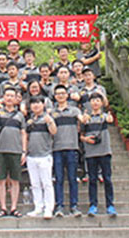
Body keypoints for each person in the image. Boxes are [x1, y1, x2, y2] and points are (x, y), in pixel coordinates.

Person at [0, 87, 27, 217]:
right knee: (1, 180)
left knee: (15, 180)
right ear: (3, 98)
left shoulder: (20, 115)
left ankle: (14, 207)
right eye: (7, 95)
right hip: (0, 149)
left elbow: (23, 133)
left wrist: (24, 151)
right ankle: (3, 207)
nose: (9, 98)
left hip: (16, 150)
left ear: (16, 99)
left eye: (12, 96)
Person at [51, 84, 85, 218]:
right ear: (54, 96)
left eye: (62, 93)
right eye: (58, 93)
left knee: (72, 178)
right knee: (58, 179)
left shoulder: (74, 110)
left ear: (67, 95)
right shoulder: (52, 113)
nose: (60, 95)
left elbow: (82, 121)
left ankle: (74, 206)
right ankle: (59, 205)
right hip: (57, 148)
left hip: (72, 147)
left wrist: (84, 119)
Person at [81, 93, 116, 217]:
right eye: (93, 100)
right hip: (91, 153)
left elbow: (111, 120)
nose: (95, 103)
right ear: (90, 103)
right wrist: (86, 139)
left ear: (101, 103)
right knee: (92, 180)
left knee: (107, 178)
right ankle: (93, 205)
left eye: (97, 100)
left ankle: (110, 205)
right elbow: (81, 135)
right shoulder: (86, 118)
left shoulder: (105, 116)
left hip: (104, 151)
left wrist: (109, 117)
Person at [25, 96, 57, 219]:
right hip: (31, 156)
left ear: (43, 105)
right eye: (33, 103)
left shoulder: (47, 118)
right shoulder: (30, 121)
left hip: (45, 155)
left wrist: (50, 121)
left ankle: (49, 208)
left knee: (47, 183)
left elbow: (54, 132)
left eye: (38, 103)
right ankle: (38, 207)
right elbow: (26, 137)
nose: (36, 105)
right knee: (35, 184)